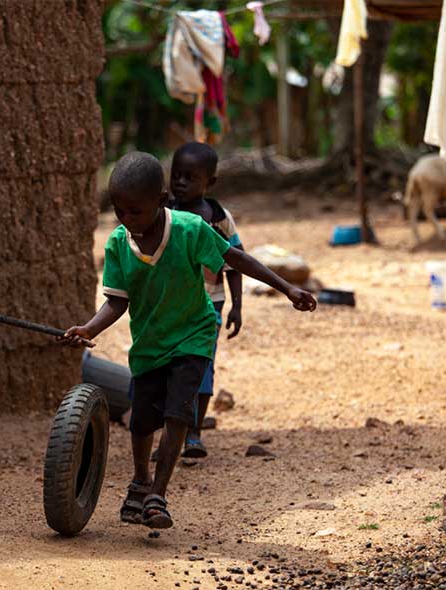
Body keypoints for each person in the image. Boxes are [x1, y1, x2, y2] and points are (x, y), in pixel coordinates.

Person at [59, 152, 316, 530]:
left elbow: (237, 259)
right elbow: (117, 301)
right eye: (119, 211)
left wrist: (287, 287)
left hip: (193, 335)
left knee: (179, 414)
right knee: (142, 423)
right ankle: (140, 480)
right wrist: (89, 328)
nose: (127, 220)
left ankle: (158, 494)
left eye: (136, 211)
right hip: (148, 344)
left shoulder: (189, 230)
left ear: (161, 201)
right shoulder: (118, 244)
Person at [170, 141, 243, 458]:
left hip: (209, 306)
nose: (180, 182)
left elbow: (236, 262)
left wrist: (237, 306)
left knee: (202, 367)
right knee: (170, 366)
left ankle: (194, 433)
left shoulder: (219, 218)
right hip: (170, 305)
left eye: (190, 177)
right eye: (176, 175)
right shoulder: (165, 214)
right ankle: (171, 433)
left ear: (209, 182)